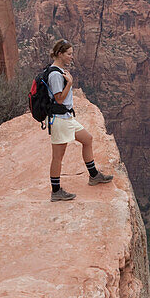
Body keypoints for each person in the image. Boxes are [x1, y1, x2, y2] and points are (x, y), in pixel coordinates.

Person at [46, 39, 113, 201]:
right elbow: (59, 99)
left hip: (67, 118)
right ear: (60, 54)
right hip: (59, 120)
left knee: (87, 139)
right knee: (57, 157)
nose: (71, 57)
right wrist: (70, 83)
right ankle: (56, 192)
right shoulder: (55, 75)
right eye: (69, 54)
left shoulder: (61, 70)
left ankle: (94, 175)